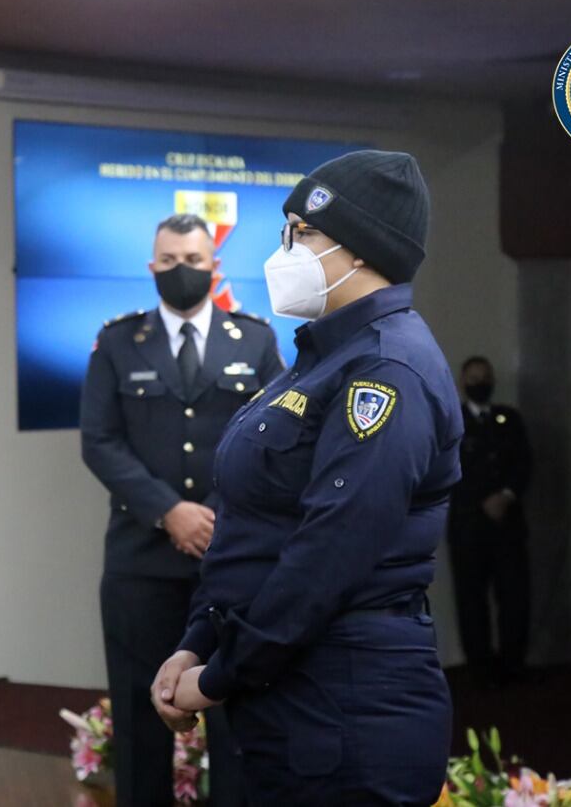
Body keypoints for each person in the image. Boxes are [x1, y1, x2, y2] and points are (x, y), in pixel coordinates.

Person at [151, 151, 462, 806]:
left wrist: (219, 676)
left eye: (304, 233)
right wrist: (195, 643)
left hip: (346, 704)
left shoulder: (387, 370)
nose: (285, 250)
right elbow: (251, 519)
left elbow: (329, 552)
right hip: (284, 696)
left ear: (362, 248)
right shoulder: (320, 357)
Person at [81, 213, 282, 806]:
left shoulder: (257, 339)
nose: (181, 271)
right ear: (151, 267)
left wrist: (214, 516)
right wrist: (170, 511)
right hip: (140, 563)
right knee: (142, 719)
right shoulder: (118, 342)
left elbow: (273, 438)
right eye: (169, 262)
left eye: (193, 261)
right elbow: (100, 441)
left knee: (232, 716)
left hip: (229, 561)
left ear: (214, 266)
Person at [447, 356, 532, 685]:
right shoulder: (452, 421)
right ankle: (479, 668)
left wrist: (506, 495)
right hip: (468, 526)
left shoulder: (509, 419)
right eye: (474, 378)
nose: (480, 383)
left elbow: (523, 463)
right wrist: (482, 500)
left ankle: (514, 664)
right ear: (462, 382)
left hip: (507, 526)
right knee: (471, 599)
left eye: (485, 377)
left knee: (514, 595)